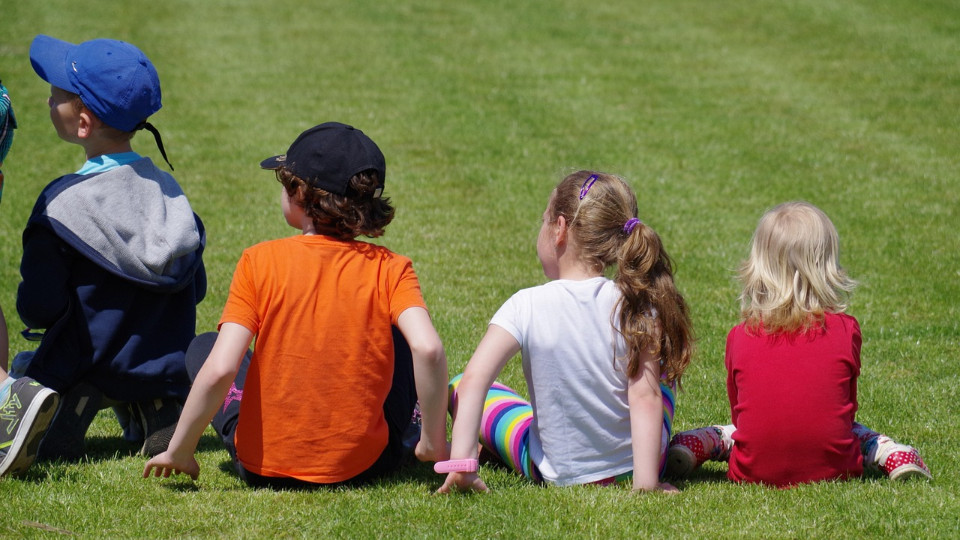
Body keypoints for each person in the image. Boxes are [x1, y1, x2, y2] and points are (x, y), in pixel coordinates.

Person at [142, 122, 450, 488]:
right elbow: (428, 348)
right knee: (397, 333)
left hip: (262, 468)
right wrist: (434, 443)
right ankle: (414, 428)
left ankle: (242, 433)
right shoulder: (390, 268)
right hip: (365, 466)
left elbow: (222, 367)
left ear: (298, 192)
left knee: (204, 347)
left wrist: (181, 450)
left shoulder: (259, 261)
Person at [3, 35, 206, 475]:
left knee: (31, 369)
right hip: (162, 358)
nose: (47, 98)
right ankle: (157, 404)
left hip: (86, 361)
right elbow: (198, 286)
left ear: (83, 123)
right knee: (145, 360)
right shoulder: (172, 196)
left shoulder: (63, 205)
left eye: (57, 94)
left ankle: (72, 402)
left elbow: (39, 307)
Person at [436, 170, 693, 494]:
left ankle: (491, 449)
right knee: (659, 385)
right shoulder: (635, 306)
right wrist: (646, 485)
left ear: (559, 228)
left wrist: (462, 466)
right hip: (631, 470)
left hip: (553, 473)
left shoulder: (525, 305)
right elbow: (644, 397)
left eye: (544, 220)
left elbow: (475, 382)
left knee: (460, 384)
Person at [666, 201, 932, 487]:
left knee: (730, 433)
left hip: (753, 467)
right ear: (825, 265)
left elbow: (739, 411)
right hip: (837, 465)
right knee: (860, 434)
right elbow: (848, 405)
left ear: (758, 266)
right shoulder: (847, 329)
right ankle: (895, 456)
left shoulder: (739, 335)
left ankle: (693, 444)